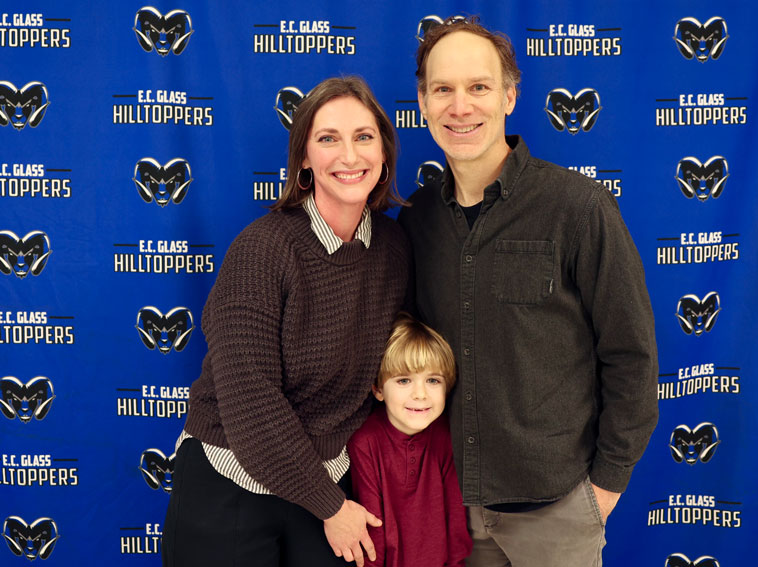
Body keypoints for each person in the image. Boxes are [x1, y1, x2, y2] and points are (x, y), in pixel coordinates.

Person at [397, 17, 659, 566]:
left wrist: (603, 489)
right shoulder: (417, 218)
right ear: (422, 103)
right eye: (442, 89)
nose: (460, 106)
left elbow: (630, 354)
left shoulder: (578, 208)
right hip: (447, 508)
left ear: (510, 97)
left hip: (558, 511)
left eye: (479, 87)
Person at [162, 76, 410, 567]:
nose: (349, 154)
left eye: (364, 137)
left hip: (326, 485)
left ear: (384, 154)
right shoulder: (263, 248)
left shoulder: (394, 250)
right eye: (327, 138)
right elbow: (249, 401)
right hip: (230, 478)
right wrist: (332, 506)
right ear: (303, 160)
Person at [348, 313, 472, 567]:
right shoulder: (365, 441)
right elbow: (373, 530)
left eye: (433, 380)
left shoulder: (445, 436)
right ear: (378, 389)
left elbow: (456, 522)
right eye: (404, 380)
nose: (420, 394)